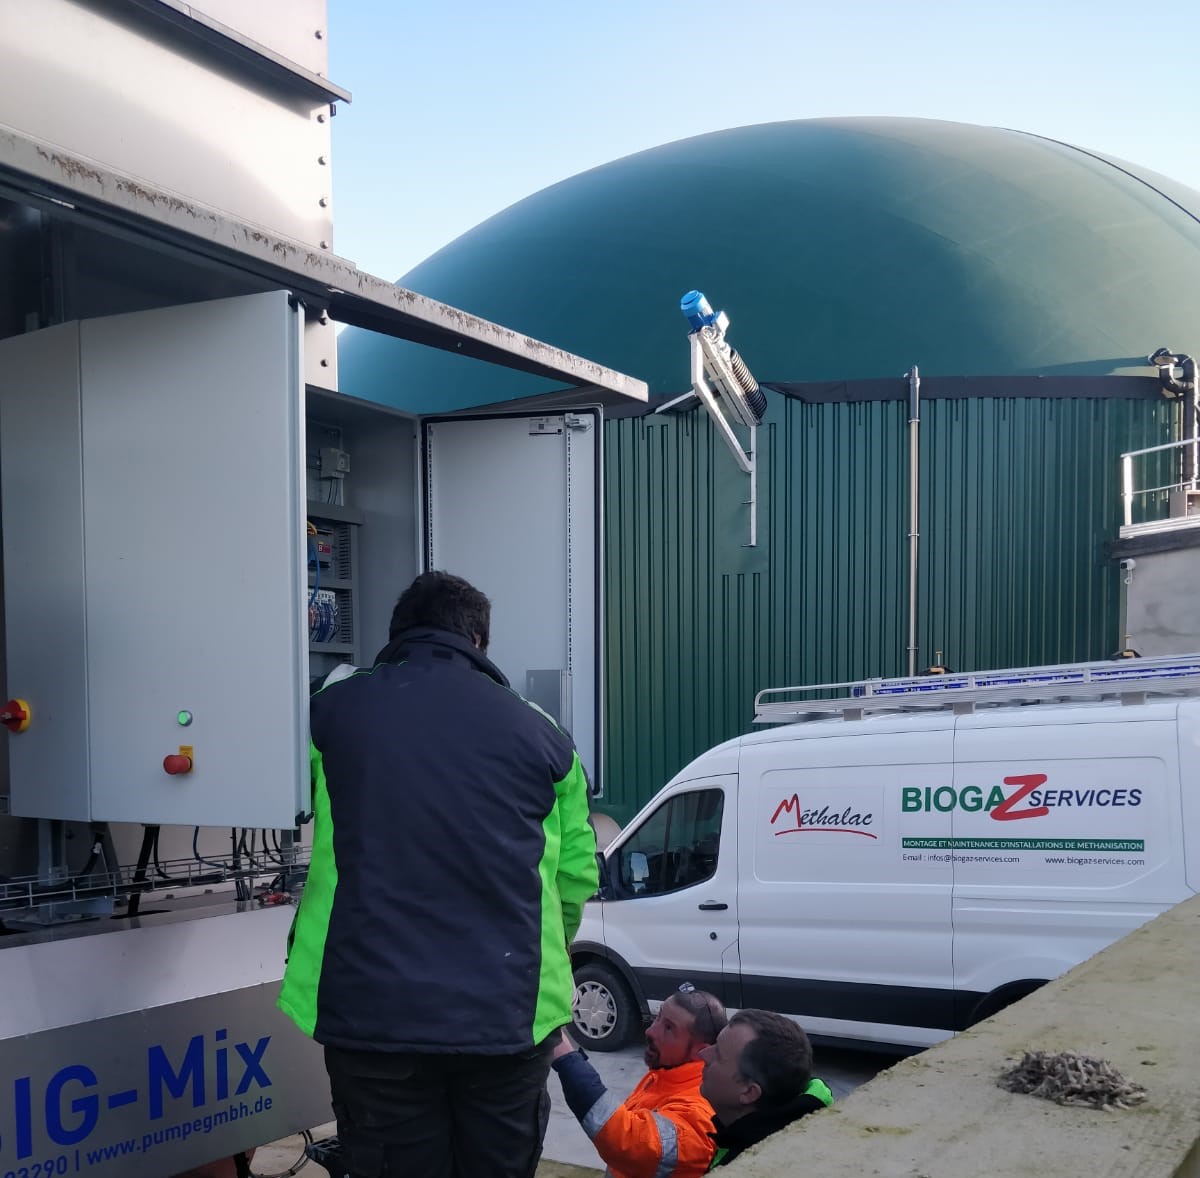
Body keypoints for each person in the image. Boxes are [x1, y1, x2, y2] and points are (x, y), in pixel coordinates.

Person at [278, 570, 599, 1178]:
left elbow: (277, 801)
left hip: (370, 1012)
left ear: (397, 636)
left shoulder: (329, 715)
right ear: (477, 640)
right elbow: (576, 878)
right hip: (509, 1017)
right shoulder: (545, 735)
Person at [551, 984, 726, 1177]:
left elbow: (628, 1141)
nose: (650, 1031)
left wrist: (566, 1058)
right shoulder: (666, 1073)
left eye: (669, 1028)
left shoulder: (700, 1112)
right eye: (658, 1017)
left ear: (700, 1051)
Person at [698, 1009, 833, 1168]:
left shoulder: (747, 1166)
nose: (702, 1054)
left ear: (748, 1092)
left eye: (718, 1054)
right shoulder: (795, 1130)